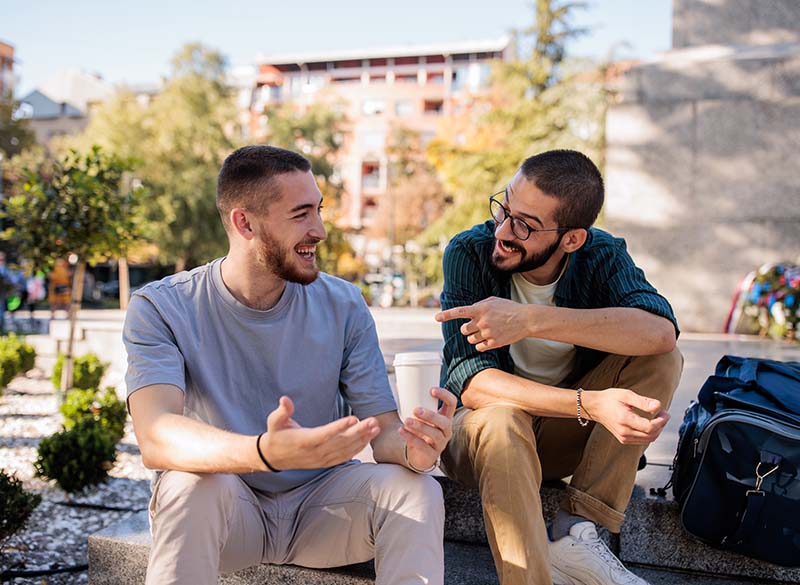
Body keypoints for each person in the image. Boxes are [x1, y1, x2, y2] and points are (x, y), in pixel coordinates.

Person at [123, 145, 457, 585]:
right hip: (228, 511)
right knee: (189, 486)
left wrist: (416, 448)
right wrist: (264, 453)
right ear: (245, 223)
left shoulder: (344, 303)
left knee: (418, 490)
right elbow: (156, 436)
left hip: (325, 509)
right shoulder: (161, 307)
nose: (319, 230)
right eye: (301, 215)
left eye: (319, 210)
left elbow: (383, 429)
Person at [435, 149, 683, 585]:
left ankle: (577, 532)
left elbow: (660, 333)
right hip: (477, 439)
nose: (503, 231)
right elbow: (474, 385)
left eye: (525, 225)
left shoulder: (601, 255)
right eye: (504, 209)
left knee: (661, 358)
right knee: (502, 419)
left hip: (560, 438)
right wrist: (589, 404)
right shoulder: (469, 252)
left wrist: (531, 319)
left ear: (572, 239)